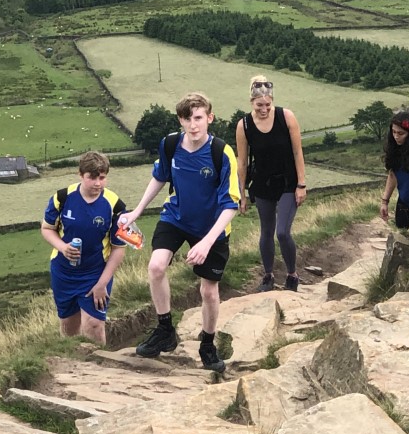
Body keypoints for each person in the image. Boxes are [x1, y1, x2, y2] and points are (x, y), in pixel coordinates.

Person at [120, 91, 239, 372]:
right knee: (156, 267)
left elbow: (231, 204)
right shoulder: (170, 145)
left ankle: (207, 344)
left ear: (209, 118)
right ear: (180, 120)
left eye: (198, 118)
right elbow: (160, 176)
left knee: (208, 291)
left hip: (212, 227)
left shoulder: (221, 152)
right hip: (176, 216)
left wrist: (207, 243)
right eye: (187, 119)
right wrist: (137, 210)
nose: (193, 125)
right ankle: (165, 330)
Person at [40, 150, 128, 346]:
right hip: (63, 272)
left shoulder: (115, 205)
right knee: (69, 329)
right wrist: (62, 247)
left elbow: (119, 248)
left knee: (95, 325)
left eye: (102, 178)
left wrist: (101, 283)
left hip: (95, 273)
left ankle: (100, 366)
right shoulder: (61, 198)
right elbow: (46, 229)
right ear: (81, 175)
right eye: (92, 178)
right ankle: (74, 370)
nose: (98, 183)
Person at [236, 75, 307, 292]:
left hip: (287, 181)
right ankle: (268, 276)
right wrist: (242, 193)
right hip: (262, 183)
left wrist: (301, 184)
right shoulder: (244, 125)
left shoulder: (286, 117)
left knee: (283, 232)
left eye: (268, 104)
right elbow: (242, 161)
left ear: (272, 101)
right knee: (266, 230)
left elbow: (297, 151)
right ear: (251, 103)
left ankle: (292, 274)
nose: (264, 109)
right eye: (259, 105)